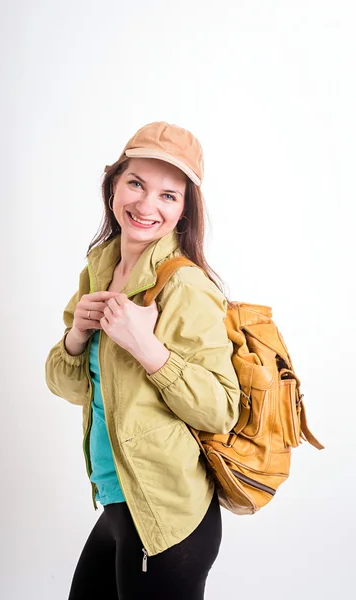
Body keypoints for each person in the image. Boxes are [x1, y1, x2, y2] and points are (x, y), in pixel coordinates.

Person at [45, 121, 241, 599]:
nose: (146, 205)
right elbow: (70, 387)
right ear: (113, 184)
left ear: (183, 212)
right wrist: (75, 337)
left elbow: (222, 409)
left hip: (168, 518)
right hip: (117, 505)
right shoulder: (100, 268)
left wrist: (147, 347)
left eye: (168, 195)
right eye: (136, 183)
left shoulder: (187, 285)